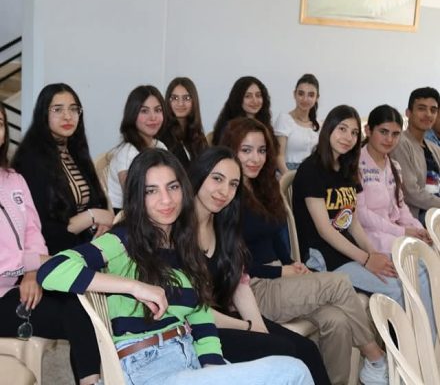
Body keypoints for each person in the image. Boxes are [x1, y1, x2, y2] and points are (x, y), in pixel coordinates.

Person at [37, 149, 314, 385]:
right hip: (148, 367)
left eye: (172, 187)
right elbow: (51, 271)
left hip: (187, 359)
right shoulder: (123, 240)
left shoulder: (184, 246)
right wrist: (135, 287)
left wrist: (215, 367)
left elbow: (201, 320)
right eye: (151, 191)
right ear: (137, 197)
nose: (166, 200)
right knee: (293, 371)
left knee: (284, 367)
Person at [219, 116, 388, 385]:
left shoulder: (262, 187)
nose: (255, 159)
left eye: (261, 151)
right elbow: (231, 263)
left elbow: (275, 238)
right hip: (253, 288)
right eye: (246, 150)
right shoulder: (225, 196)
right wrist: (280, 272)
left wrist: (291, 263)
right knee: (340, 283)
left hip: (279, 279)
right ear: (231, 150)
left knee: (337, 321)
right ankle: (376, 357)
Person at [189, 146, 331, 384]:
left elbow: (240, 283)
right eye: (217, 179)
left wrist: (258, 326)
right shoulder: (178, 229)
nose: (224, 191)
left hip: (228, 316)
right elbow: (190, 310)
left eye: (233, 184)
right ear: (198, 176)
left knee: (306, 349)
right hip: (198, 330)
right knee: (282, 351)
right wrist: (248, 327)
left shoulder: (224, 224)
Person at [292, 105, 435, 335]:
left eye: (353, 132)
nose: (348, 137)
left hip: (350, 254)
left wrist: (373, 254)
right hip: (324, 259)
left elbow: (354, 223)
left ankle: (428, 345)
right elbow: (325, 230)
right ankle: (406, 351)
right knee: (398, 289)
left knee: (417, 274)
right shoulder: (311, 170)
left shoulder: (347, 168)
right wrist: (367, 259)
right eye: (342, 129)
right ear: (328, 129)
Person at [0, 103, 101, 385]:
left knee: (81, 304)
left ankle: (91, 381)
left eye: (0, 123)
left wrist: (33, 274)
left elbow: (33, 231)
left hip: (20, 284)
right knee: (75, 314)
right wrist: (35, 264)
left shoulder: (13, 180)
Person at [12, 83, 113, 255]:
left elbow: (99, 203)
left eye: (73, 109)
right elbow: (45, 230)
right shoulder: (31, 160)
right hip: (53, 255)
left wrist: (102, 222)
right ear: (43, 114)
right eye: (57, 110)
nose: (67, 116)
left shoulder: (75, 152)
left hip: (85, 247)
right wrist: (92, 215)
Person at [358, 104, 431, 253]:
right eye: (383, 132)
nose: (389, 139)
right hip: (367, 235)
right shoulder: (355, 165)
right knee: (411, 252)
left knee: (430, 245)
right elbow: (361, 214)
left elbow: (401, 206)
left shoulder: (395, 167)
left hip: (394, 231)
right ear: (368, 130)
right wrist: (402, 232)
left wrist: (418, 229)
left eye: (396, 134)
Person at [107, 85, 167, 212]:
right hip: (125, 214)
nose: (153, 117)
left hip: (154, 208)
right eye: (144, 111)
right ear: (132, 115)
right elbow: (133, 199)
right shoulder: (127, 153)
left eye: (158, 110)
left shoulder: (160, 146)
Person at [391, 87, 440, 224]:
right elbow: (410, 193)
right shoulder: (400, 143)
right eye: (421, 109)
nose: (428, 114)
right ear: (408, 113)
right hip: (416, 217)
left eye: (433, 110)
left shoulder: (434, 148)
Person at [212, 76, 276, 147]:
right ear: (238, 99)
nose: (255, 101)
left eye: (258, 95)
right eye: (248, 96)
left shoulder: (266, 125)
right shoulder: (229, 129)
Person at [275, 74, 320, 174]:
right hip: (287, 173)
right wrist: (289, 179)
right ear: (294, 94)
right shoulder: (284, 119)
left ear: (317, 98)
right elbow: (279, 156)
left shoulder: (317, 124)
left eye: (311, 95)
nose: (305, 99)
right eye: (301, 94)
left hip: (310, 173)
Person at [160, 77, 208, 169]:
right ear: (168, 101)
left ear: (194, 101)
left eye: (186, 98)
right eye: (175, 98)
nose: (180, 103)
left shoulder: (198, 136)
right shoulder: (162, 135)